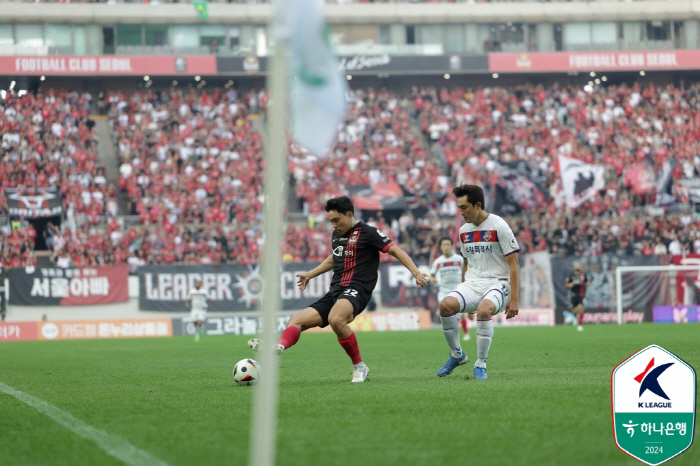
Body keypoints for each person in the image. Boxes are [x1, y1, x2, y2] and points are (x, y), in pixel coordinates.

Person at [248, 196, 429, 383]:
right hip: (336, 291)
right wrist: (311, 274)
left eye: (336, 220)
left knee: (336, 319)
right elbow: (334, 258)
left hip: (357, 289)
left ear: (349, 215)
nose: (333, 225)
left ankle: (359, 366)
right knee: (296, 321)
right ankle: (278, 347)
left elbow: (395, 250)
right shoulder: (337, 235)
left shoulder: (368, 232)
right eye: (331, 221)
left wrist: (415, 272)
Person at [436, 185, 520, 380]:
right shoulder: (463, 231)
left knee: (484, 311)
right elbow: (466, 263)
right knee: (445, 306)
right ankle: (457, 354)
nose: (461, 212)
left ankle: (481, 363)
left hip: (499, 282)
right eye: (459, 207)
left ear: (478, 205)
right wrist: (468, 297)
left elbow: (514, 265)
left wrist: (515, 298)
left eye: (464, 207)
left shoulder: (499, 226)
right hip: (473, 283)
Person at [429, 237, 471, 341]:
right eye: (444, 245)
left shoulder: (459, 259)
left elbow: (467, 271)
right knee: (448, 313)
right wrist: (432, 279)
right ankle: (454, 334)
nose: (446, 247)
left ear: (452, 246)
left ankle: (465, 333)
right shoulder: (438, 261)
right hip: (443, 292)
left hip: (457, 290)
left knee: (458, 315)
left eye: (448, 244)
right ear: (441, 247)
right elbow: (431, 275)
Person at [564, 263, 590, 332]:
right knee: (574, 311)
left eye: (579, 266)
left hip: (581, 295)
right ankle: (573, 317)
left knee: (581, 308)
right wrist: (570, 285)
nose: (578, 268)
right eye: (577, 266)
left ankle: (580, 325)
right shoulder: (571, 276)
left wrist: (588, 283)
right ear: (574, 267)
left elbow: (587, 282)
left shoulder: (583, 275)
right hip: (573, 295)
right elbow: (566, 285)